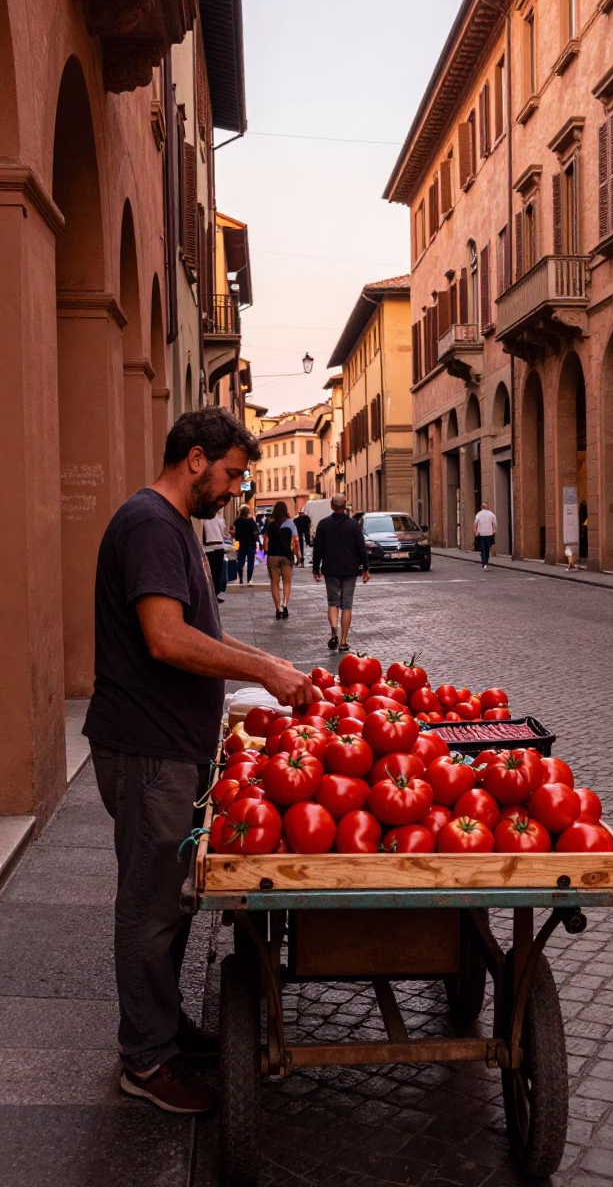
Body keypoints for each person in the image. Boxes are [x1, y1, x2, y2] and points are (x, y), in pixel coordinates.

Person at [83, 408, 313, 1116]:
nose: (236, 490)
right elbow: (165, 638)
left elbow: (192, 629)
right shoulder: (152, 524)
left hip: (166, 747)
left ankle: (162, 1029)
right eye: (233, 474)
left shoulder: (167, 524)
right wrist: (264, 669)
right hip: (149, 751)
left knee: (170, 904)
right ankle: (146, 1062)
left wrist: (260, 661)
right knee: (150, 910)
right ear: (194, 459)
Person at [312, 493, 370, 651]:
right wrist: (365, 568)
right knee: (346, 605)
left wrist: (316, 568)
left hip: (330, 569)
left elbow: (318, 549)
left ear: (332, 505)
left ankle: (334, 631)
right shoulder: (354, 525)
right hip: (350, 570)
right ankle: (343, 641)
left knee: (332, 602)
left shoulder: (323, 525)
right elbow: (361, 548)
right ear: (345, 505)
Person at [264, 500, 300, 620]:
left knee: (274, 582)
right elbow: (296, 541)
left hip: (273, 555)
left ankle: (277, 608)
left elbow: (266, 539)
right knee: (287, 582)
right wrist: (298, 555)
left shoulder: (270, 524)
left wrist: (265, 550)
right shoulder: (290, 523)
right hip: (286, 556)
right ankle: (284, 604)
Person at [233, 503, 259, 585]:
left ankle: (240, 578)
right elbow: (256, 532)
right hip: (251, 544)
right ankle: (249, 579)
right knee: (251, 562)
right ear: (248, 512)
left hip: (240, 543)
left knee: (240, 561)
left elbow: (234, 532)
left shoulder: (237, 521)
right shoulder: (251, 521)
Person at [201, 512, 226, 600]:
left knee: (209, 572)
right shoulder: (219, 519)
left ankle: (210, 593)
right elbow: (223, 533)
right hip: (219, 546)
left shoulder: (203, 520)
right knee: (217, 572)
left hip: (207, 547)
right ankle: (216, 593)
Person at [473, 502, 497, 568]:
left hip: (481, 534)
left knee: (482, 548)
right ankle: (486, 561)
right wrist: (494, 530)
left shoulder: (479, 514)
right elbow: (495, 523)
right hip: (489, 533)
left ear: (481, 507)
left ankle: (484, 563)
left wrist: (475, 531)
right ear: (487, 507)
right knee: (487, 548)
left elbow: (475, 523)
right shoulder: (491, 514)